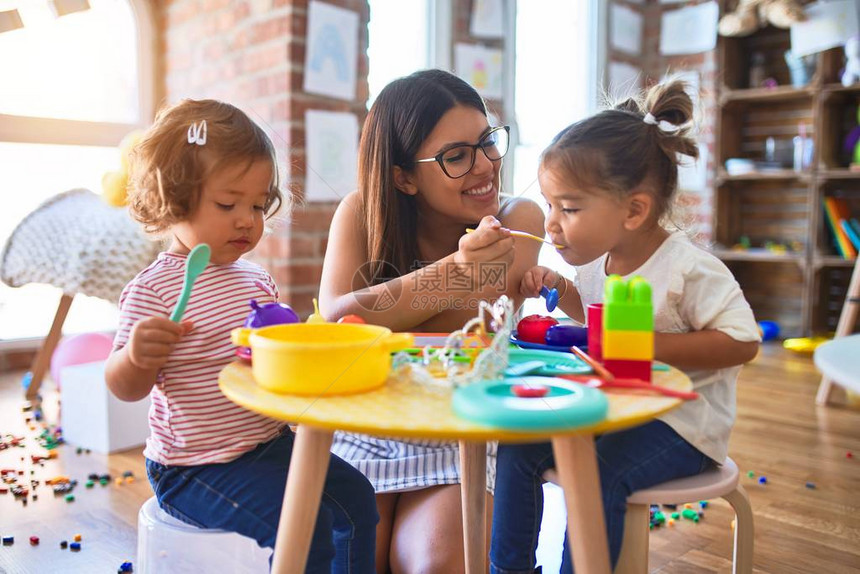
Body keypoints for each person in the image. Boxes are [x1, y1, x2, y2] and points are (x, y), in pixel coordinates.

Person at [490, 79, 761, 573]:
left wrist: (645, 345)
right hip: (611, 411)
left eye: (568, 209)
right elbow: (593, 317)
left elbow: (743, 342)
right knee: (517, 445)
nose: (551, 224)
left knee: (596, 474)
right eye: (551, 206)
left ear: (634, 210)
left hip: (682, 426)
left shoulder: (687, 269)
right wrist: (561, 289)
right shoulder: (599, 261)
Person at [105, 98, 378, 573]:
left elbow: (270, 360)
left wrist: (304, 341)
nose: (247, 220)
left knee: (357, 499)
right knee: (304, 527)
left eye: (256, 205)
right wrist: (136, 356)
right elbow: (124, 387)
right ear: (175, 199)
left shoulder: (255, 280)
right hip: (195, 468)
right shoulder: (153, 290)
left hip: (268, 444)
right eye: (228, 203)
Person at [319, 69, 545, 573]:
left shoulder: (520, 220)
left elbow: (463, 334)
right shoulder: (360, 213)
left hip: (463, 431)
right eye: (456, 156)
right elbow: (339, 321)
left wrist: (411, 297)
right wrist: (459, 271)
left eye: (487, 142)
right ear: (403, 176)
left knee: (431, 566)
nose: (485, 165)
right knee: (347, 562)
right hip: (364, 423)